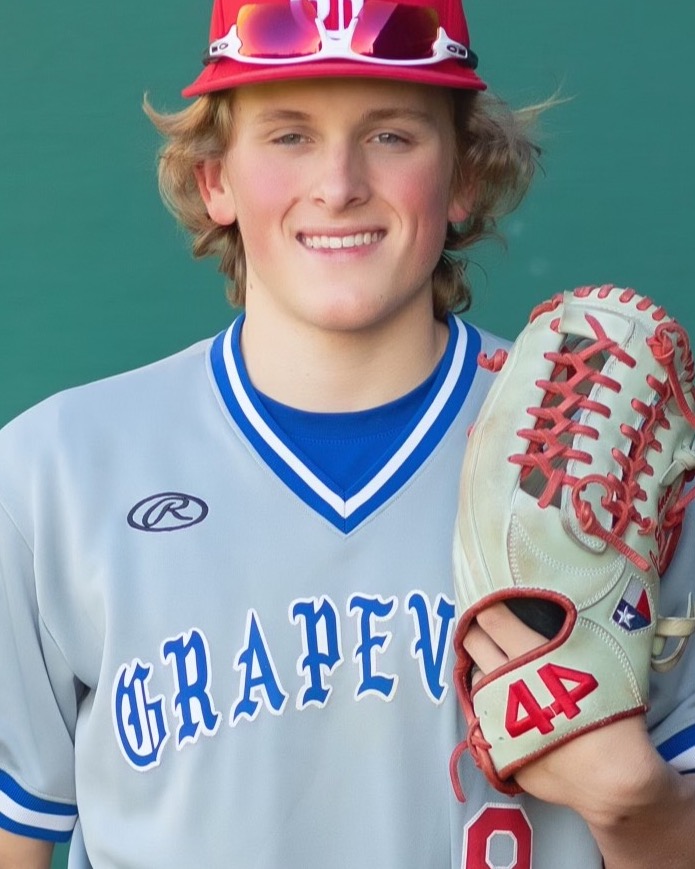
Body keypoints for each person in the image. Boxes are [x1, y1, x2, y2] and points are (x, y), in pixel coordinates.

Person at [0, 0, 694, 866]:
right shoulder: (54, 472)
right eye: (289, 135)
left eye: (391, 135)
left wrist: (632, 805)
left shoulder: (602, 459)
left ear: (464, 175)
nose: (338, 184)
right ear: (215, 180)